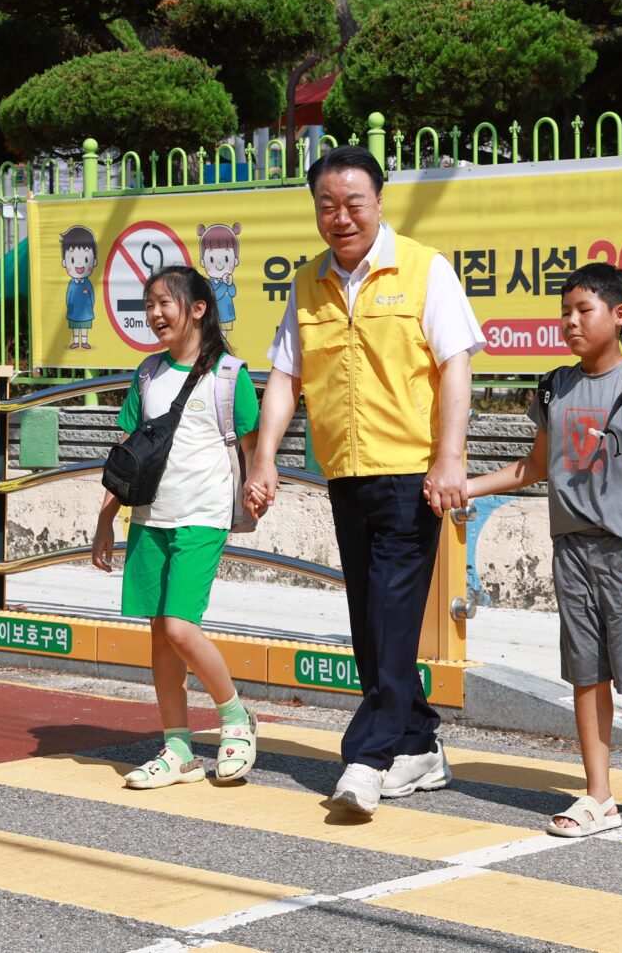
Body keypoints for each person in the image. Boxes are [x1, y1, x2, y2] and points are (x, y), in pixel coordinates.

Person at [245, 146, 484, 816]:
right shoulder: (308, 283)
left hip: (410, 474)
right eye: (327, 205)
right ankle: (419, 740)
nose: (341, 216)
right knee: (371, 621)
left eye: (353, 202)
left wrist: (450, 456)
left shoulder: (425, 269)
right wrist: (264, 458)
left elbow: (456, 365)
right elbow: (286, 377)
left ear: (380, 202)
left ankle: (369, 756)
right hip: (346, 474)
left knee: (390, 614)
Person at [465, 262, 622, 837]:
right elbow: (535, 466)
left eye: (583, 310)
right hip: (570, 549)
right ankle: (599, 796)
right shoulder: (554, 386)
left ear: (620, 316)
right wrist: (464, 487)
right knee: (586, 672)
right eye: (564, 312)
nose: (570, 322)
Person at [92, 266, 262, 788]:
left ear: (198, 309)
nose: (154, 314)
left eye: (164, 303)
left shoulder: (229, 376)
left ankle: (236, 717)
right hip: (149, 518)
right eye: (149, 305)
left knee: (179, 628)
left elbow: (254, 451)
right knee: (160, 638)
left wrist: (259, 488)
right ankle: (178, 749)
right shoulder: (147, 374)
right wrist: (106, 518)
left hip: (202, 517)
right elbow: (126, 454)